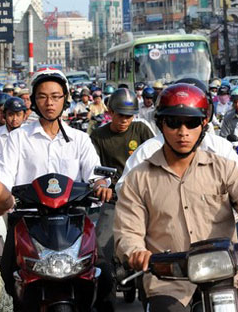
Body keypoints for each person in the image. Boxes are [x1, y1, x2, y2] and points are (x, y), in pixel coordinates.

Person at [114, 84, 238, 311]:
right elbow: (128, 230)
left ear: (203, 124)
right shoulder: (138, 178)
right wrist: (135, 252)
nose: (183, 132)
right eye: (173, 122)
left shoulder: (224, 168)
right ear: (161, 124)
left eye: (191, 123)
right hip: (169, 283)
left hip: (229, 278)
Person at [0, 68, 112, 306]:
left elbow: (95, 173)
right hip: (27, 223)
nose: (50, 103)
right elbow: (4, 176)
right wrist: (4, 195)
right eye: (42, 96)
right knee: (9, 280)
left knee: (105, 278)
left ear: (65, 99)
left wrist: (101, 185)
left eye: (56, 96)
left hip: (73, 223)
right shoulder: (18, 138)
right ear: (34, 100)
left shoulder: (79, 139)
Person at [90, 88, 154, 310]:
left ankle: (151, 300)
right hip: (113, 200)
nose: (125, 120)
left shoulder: (141, 129)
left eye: (129, 115)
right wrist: (101, 184)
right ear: (110, 112)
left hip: (143, 200)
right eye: (121, 115)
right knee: (101, 251)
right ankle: (105, 300)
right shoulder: (98, 136)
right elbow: (93, 169)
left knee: (156, 250)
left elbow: (157, 155)